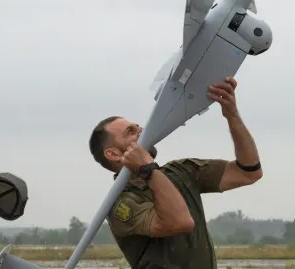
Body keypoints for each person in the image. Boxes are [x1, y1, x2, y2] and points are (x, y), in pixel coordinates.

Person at [88, 77, 263, 269]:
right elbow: (180, 222)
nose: (142, 131)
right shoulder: (120, 205)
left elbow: (249, 172)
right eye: (131, 132)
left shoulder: (181, 171)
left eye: (138, 127)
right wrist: (147, 167)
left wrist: (232, 115)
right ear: (113, 154)